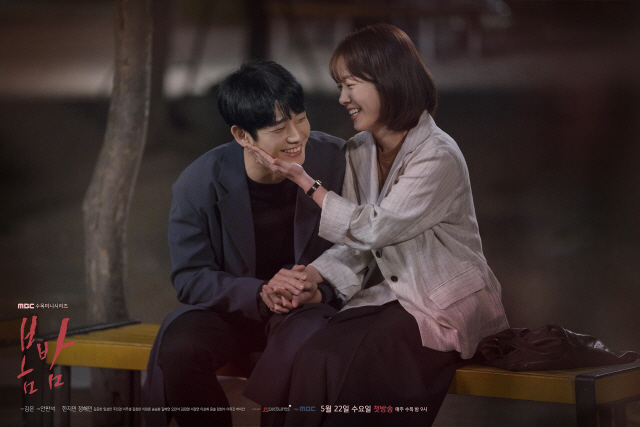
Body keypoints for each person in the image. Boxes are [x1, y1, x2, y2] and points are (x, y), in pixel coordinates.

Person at [248, 24, 510, 426]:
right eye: (340, 86)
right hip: (396, 298)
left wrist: (306, 182)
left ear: (388, 81)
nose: (342, 98)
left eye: (351, 85)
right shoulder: (360, 149)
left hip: (445, 302)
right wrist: (309, 277)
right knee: (315, 353)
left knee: (351, 364)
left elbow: (374, 228)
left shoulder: (437, 155)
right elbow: (357, 243)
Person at [141, 60, 346, 427]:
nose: (296, 136)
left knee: (305, 345)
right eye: (278, 129)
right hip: (232, 309)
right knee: (180, 347)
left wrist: (320, 289)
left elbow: (361, 248)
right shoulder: (199, 182)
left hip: (304, 310)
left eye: (300, 119)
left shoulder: (336, 162)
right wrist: (258, 292)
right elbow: (190, 276)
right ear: (242, 136)